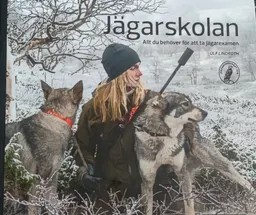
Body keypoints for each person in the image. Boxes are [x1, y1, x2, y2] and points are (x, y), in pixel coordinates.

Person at [72, 43, 194, 213]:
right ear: (119, 73)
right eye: (133, 68)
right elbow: (81, 146)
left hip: (156, 190)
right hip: (113, 193)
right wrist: (85, 171)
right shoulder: (94, 109)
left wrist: (185, 140)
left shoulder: (153, 101)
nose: (140, 72)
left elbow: (185, 121)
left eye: (139, 66)